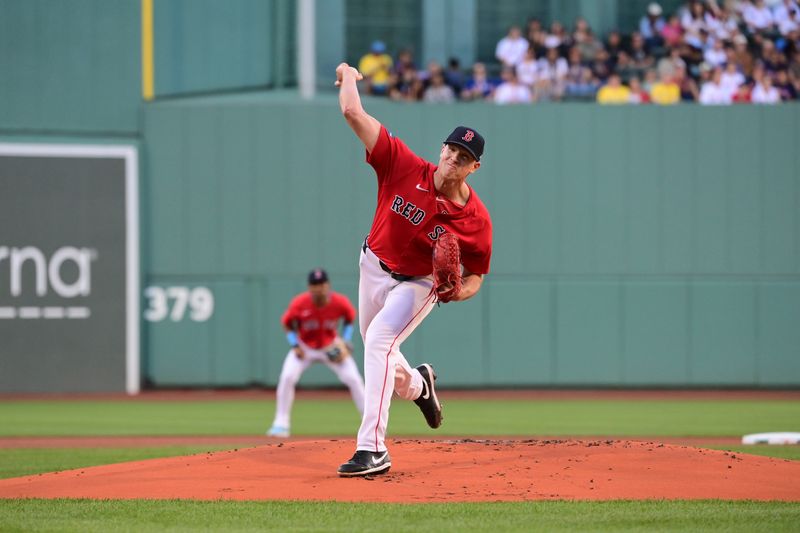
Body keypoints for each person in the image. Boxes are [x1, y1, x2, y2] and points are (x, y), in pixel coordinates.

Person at [334, 62, 493, 477]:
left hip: (419, 283)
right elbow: (354, 114)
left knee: (379, 341)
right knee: (378, 346)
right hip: (373, 265)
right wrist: (348, 75)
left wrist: (458, 292)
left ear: (474, 168)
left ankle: (372, 448)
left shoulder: (476, 220)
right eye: (451, 150)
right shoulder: (403, 165)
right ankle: (419, 385)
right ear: (442, 148)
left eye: (464, 158)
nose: (453, 159)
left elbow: (477, 275)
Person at [266, 269, 365, 438]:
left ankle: (370, 423)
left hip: (330, 346)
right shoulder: (299, 303)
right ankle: (281, 424)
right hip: (305, 346)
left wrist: (346, 342)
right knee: (287, 377)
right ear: (309, 287)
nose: (318, 288)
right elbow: (287, 324)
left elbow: (350, 319)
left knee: (354, 379)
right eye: (314, 285)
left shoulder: (339, 302)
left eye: (321, 284)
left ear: (328, 285)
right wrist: (295, 344)